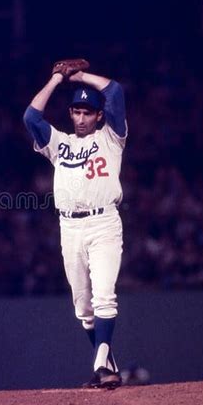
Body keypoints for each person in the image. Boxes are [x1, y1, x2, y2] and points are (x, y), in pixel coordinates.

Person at [23, 62, 127, 388]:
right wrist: (56, 79)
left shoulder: (111, 137)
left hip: (103, 224)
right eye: (76, 112)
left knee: (104, 296)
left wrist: (80, 77)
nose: (81, 118)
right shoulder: (60, 143)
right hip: (69, 228)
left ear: (99, 115)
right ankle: (108, 367)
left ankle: (100, 364)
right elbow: (31, 117)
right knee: (83, 309)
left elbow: (115, 91)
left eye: (87, 112)